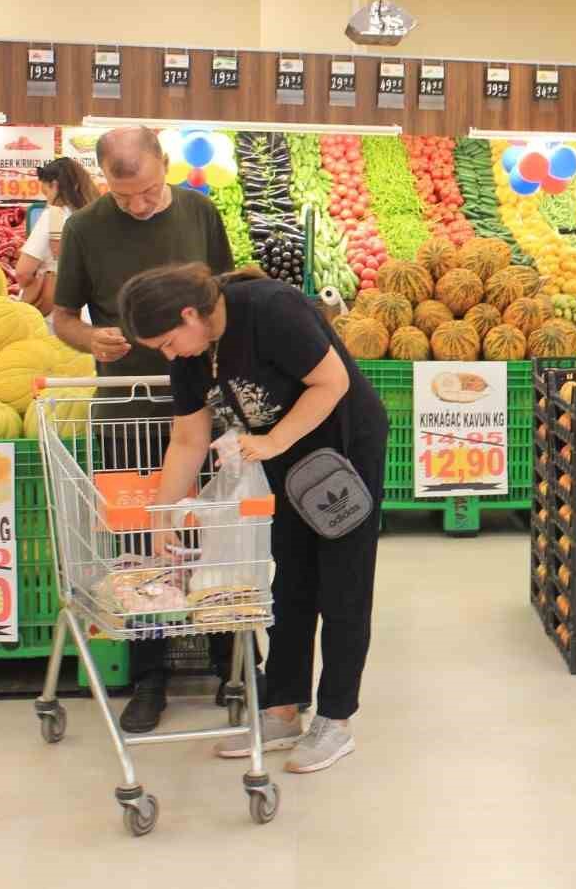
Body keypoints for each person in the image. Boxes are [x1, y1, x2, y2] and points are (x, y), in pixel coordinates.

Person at [119, 263, 388, 774]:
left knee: (343, 584)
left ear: (190, 313)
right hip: (281, 460)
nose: (170, 354)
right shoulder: (190, 354)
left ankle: (335, 720)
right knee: (289, 578)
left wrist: (272, 441)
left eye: (170, 341)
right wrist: (162, 514)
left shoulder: (270, 309)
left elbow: (330, 382)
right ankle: (283, 707)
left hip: (343, 453)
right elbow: (188, 439)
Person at [53, 126, 238, 734]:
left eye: (148, 191)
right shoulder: (84, 227)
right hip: (126, 408)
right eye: (122, 194)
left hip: (200, 403)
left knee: (212, 529)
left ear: (165, 163)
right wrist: (90, 338)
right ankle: (150, 675)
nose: (137, 205)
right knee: (139, 546)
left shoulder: (200, 211)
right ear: (103, 178)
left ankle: (229, 657)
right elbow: (62, 317)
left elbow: (226, 297)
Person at [15, 157, 99, 319]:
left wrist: (33, 286)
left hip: (55, 314)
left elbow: (23, 272)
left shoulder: (54, 216)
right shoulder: (94, 216)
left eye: (46, 191)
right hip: (89, 312)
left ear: (55, 185)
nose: (46, 199)